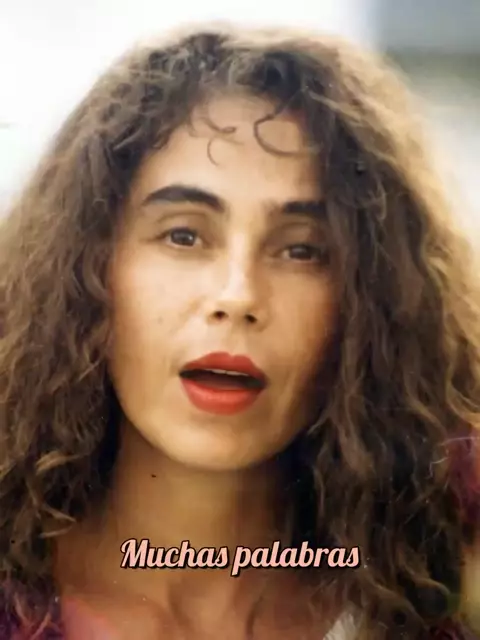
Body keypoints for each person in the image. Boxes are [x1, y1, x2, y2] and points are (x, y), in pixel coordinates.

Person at [0, 23, 479, 640]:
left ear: (369, 302)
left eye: (302, 250)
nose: (238, 295)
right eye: (183, 235)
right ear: (86, 265)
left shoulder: (433, 607)